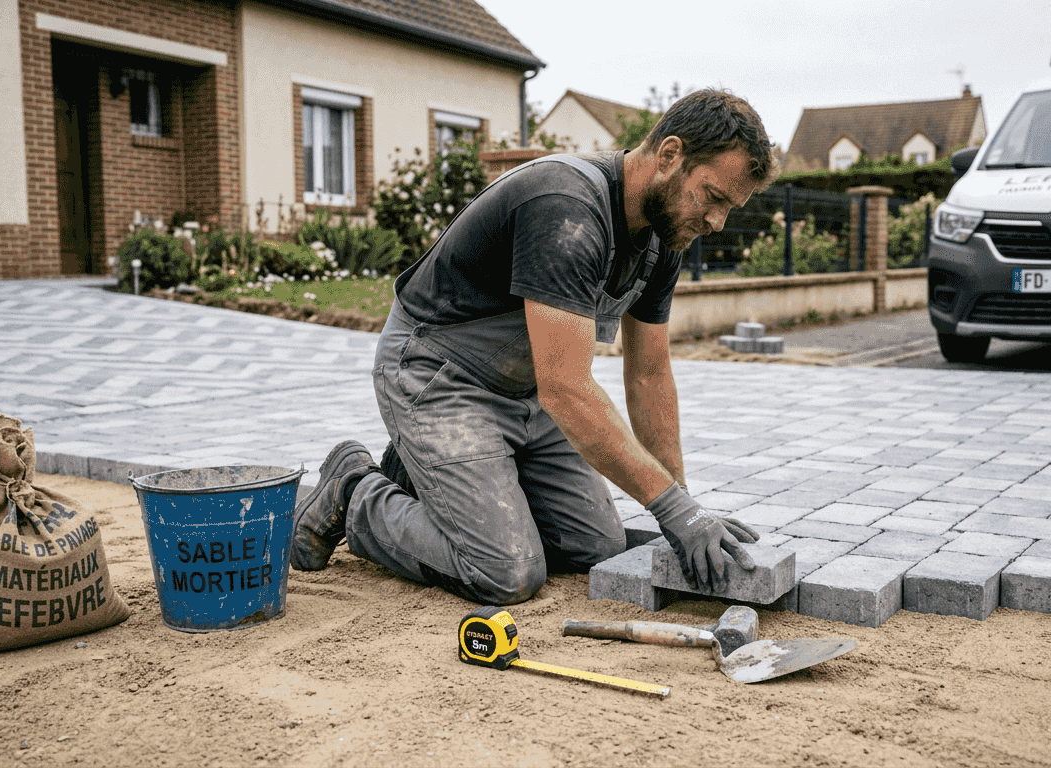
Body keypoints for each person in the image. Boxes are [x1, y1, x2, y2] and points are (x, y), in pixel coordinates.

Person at [291, 88, 777, 604]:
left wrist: (684, 505)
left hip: (525, 395)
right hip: (438, 377)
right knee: (506, 571)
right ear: (670, 155)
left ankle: (427, 477)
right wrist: (674, 512)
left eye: (731, 207)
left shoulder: (663, 236)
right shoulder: (565, 208)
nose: (717, 222)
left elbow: (649, 375)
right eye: (714, 197)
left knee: (594, 544)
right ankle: (356, 490)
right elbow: (566, 389)